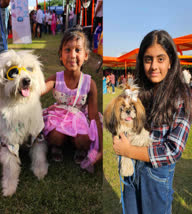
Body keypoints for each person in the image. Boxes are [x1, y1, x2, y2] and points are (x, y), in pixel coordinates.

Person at [113, 30, 192, 213]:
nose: (154, 66)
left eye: (160, 59)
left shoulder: (183, 95)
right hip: (131, 167)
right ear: (142, 61)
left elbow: (173, 150)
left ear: (171, 60)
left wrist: (128, 150)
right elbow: (118, 120)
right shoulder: (137, 90)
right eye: (148, 59)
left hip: (157, 174)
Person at [42, 26, 102, 170]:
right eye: (67, 50)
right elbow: (38, 90)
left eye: (77, 50)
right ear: (60, 54)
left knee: (83, 139)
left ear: (86, 55)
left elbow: (93, 116)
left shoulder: (89, 83)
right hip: (58, 116)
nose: (72, 55)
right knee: (55, 136)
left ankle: (78, 147)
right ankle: (58, 145)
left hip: (79, 118)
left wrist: (99, 148)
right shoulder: (56, 78)